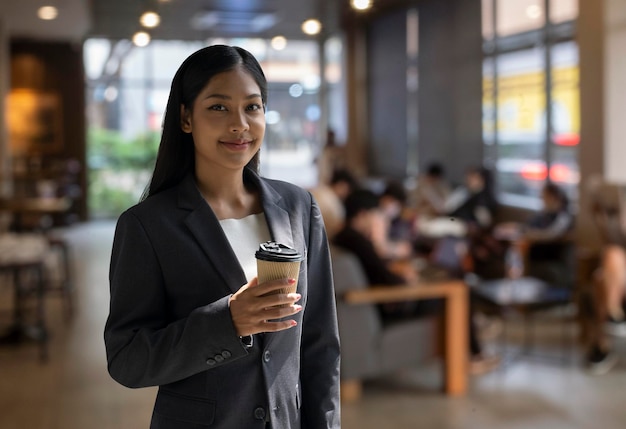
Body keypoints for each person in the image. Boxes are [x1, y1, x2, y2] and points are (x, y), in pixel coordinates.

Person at [104, 45, 340, 428]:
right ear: (185, 118)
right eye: (218, 107)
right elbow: (127, 359)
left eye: (252, 107)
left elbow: (320, 345)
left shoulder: (299, 208)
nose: (240, 124)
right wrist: (227, 322)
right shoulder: (147, 225)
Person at [333, 188, 499, 374]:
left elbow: (377, 271)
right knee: (460, 290)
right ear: (363, 215)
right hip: (390, 305)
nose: (380, 219)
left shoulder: (343, 237)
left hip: (378, 304)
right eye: (376, 214)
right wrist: (404, 277)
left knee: (454, 284)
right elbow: (390, 281)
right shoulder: (358, 241)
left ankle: (474, 341)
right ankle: (473, 354)